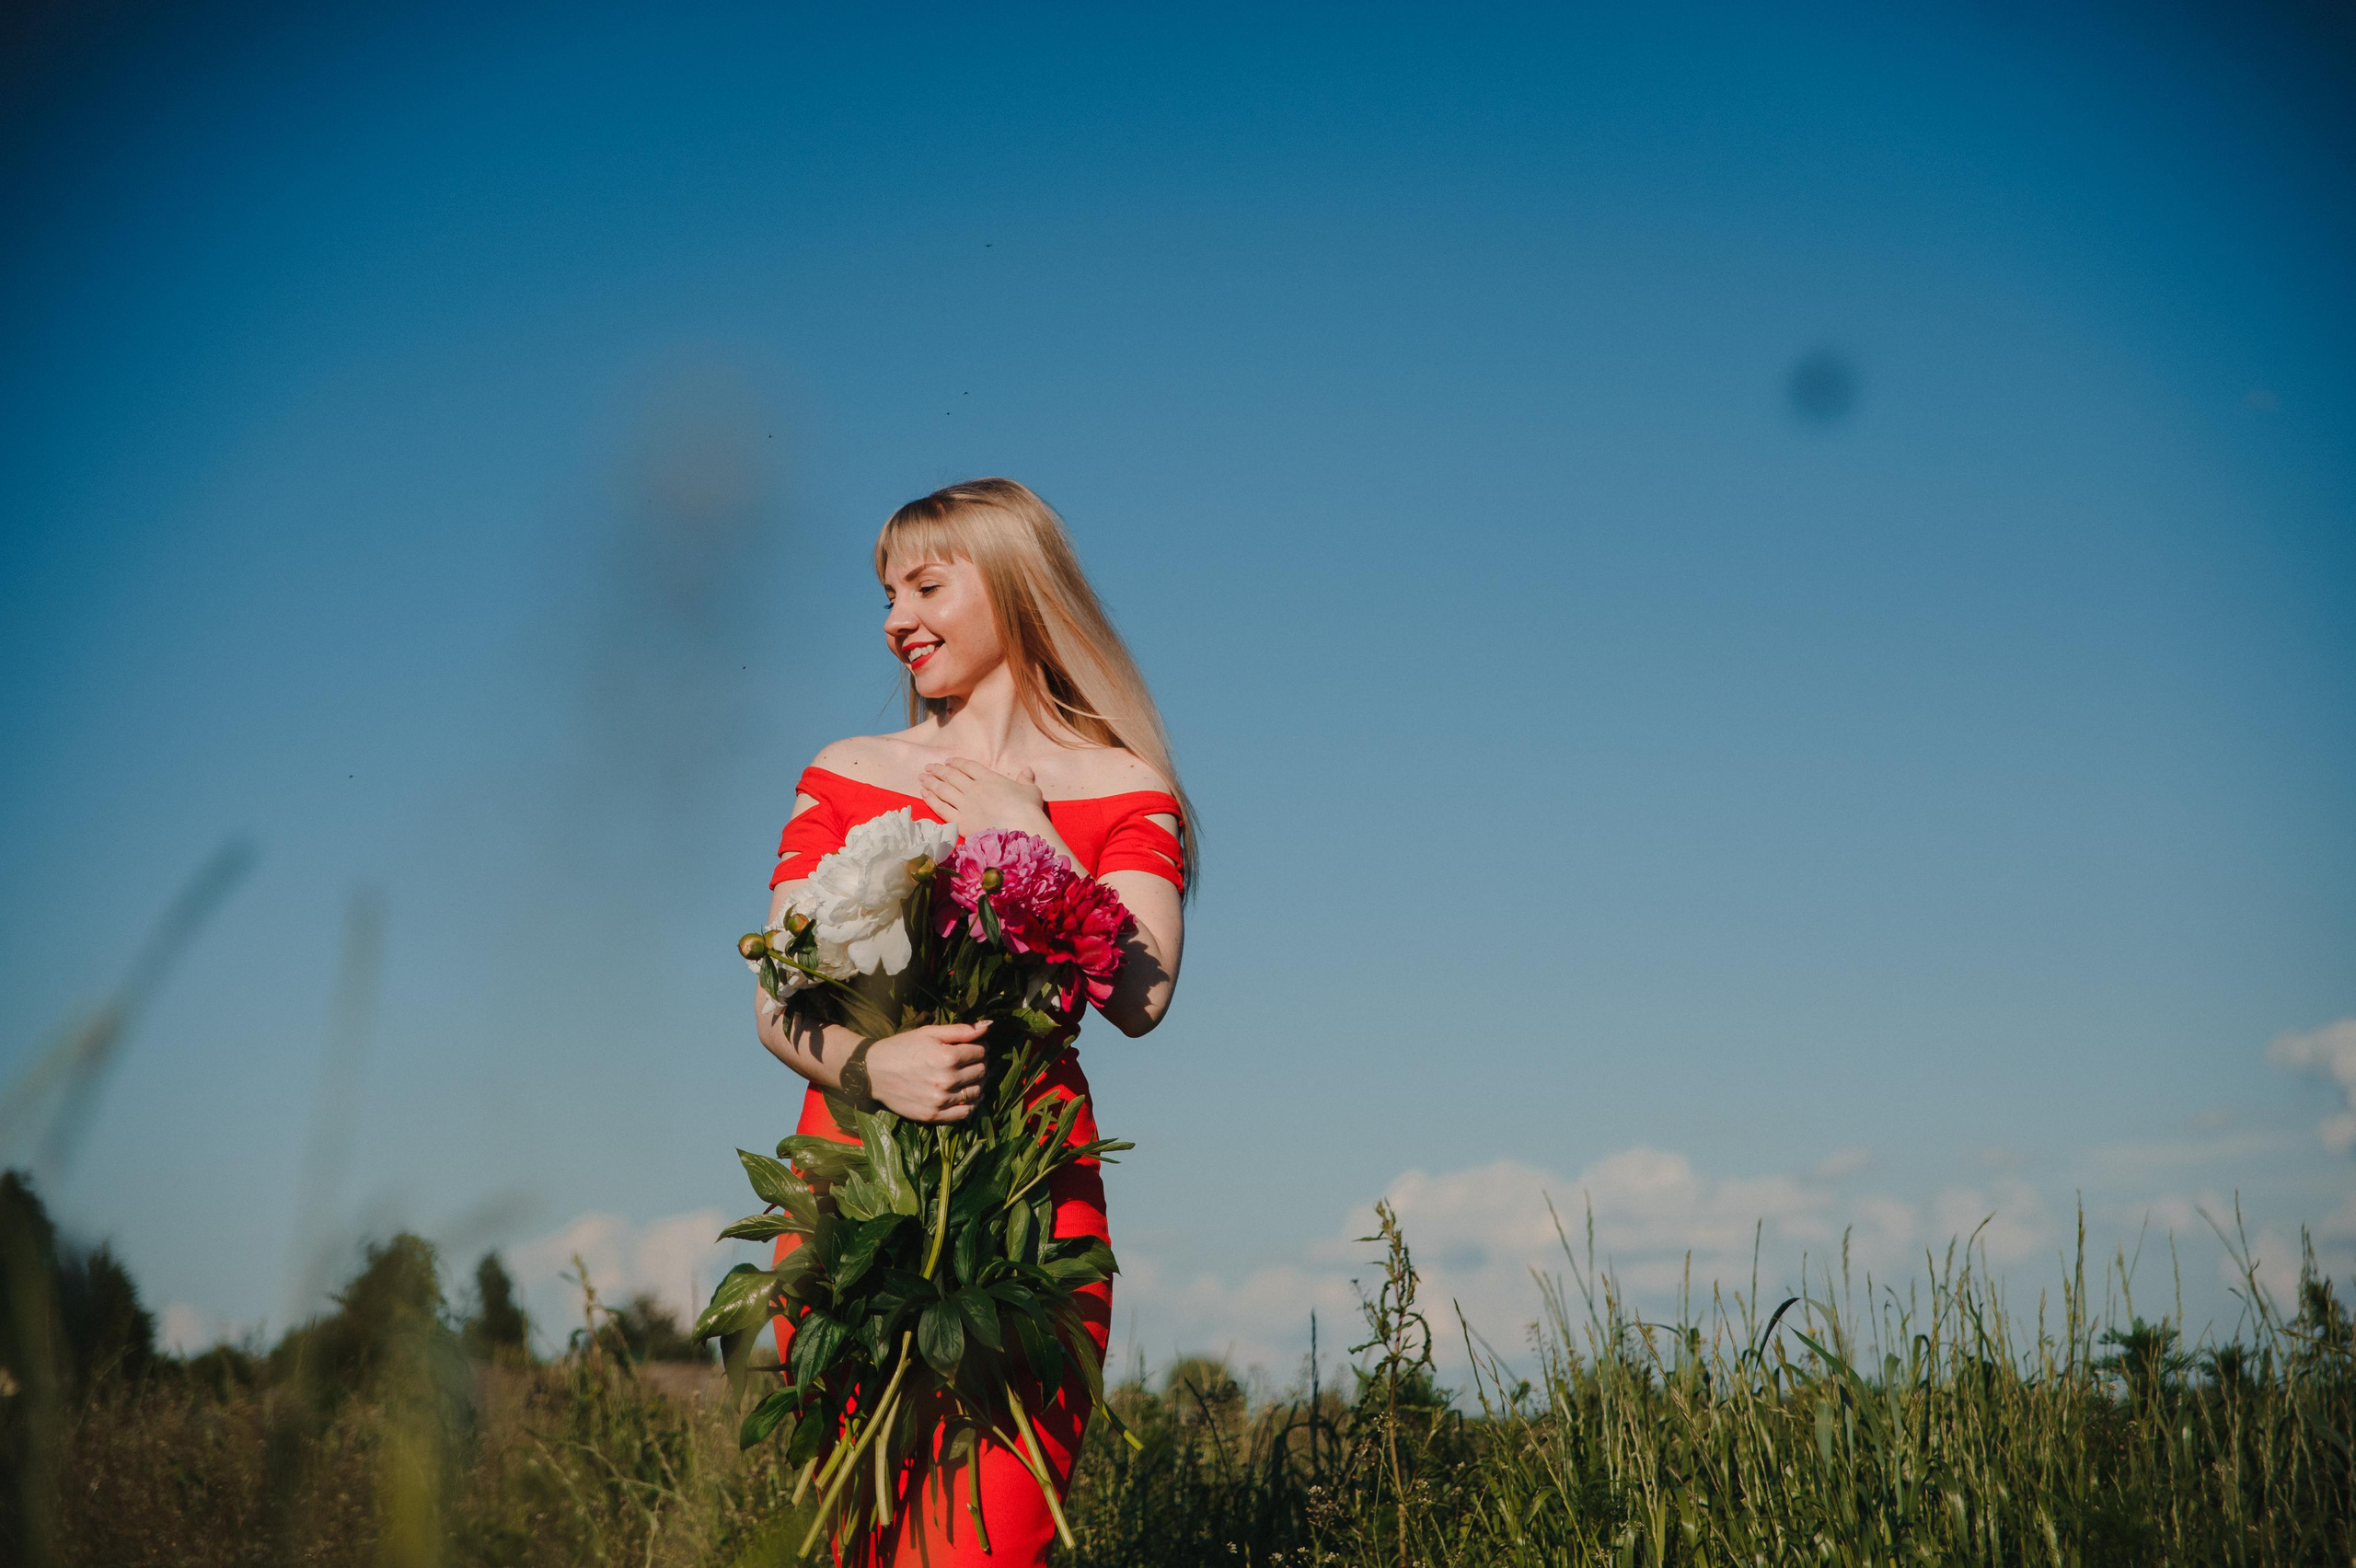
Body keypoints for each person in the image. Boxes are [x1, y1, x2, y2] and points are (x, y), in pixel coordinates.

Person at [754, 477, 1193, 1565]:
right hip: (854, 1206)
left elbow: (1141, 997)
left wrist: (1028, 833)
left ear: (1011, 584)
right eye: (886, 594)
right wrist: (873, 1064)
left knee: (985, 1543)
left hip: (1029, 1222)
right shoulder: (847, 775)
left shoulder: (1121, 785)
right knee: (862, 1542)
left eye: (926, 585)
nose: (896, 619)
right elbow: (775, 1001)